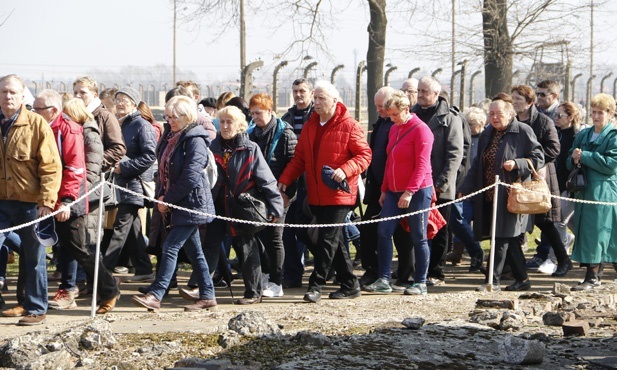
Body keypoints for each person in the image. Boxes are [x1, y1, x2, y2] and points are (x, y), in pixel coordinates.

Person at [278, 80, 372, 303]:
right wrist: (285, 179)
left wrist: (345, 169)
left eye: (322, 98)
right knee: (335, 240)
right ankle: (350, 283)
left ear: (334, 101)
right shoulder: (311, 125)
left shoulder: (349, 125)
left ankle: (316, 284)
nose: (317, 102)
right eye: (316, 98)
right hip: (315, 194)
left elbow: (364, 155)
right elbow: (300, 158)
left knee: (327, 240)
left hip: (339, 194)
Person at [34, 90, 121, 314]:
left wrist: (67, 200)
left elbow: (77, 168)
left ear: (53, 110)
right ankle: (37, 297)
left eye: (38, 109)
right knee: (56, 247)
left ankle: (109, 290)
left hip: (72, 199)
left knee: (80, 249)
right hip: (49, 198)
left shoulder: (70, 129)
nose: (34, 113)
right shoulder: (44, 128)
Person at [132, 96, 217, 311]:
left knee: (170, 247)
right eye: (167, 116)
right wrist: (161, 196)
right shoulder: (172, 137)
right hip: (178, 202)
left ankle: (156, 294)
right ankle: (207, 295)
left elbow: (190, 176)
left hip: (191, 203)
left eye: (174, 116)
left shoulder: (195, 139)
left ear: (187, 116)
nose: (169, 120)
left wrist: (167, 200)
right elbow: (163, 171)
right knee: (195, 252)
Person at [459, 93, 544, 292]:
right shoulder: (488, 133)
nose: (494, 117)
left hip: (511, 195)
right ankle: (523, 280)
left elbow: (539, 156)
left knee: (502, 237)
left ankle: (493, 281)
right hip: (490, 195)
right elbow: (477, 165)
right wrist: (465, 188)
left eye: (498, 113)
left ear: (509, 114)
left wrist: (517, 163)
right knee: (510, 239)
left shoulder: (522, 131)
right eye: (491, 113)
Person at [0, 75, 62, 325]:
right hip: (2, 204)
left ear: (23, 96)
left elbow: (51, 167)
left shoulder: (36, 124)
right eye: (4, 92)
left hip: (30, 204)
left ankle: (36, 308)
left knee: (34, 257)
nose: (8, 97)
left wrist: (46, 202)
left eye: (13, 92)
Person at [210, 106, 284, 304]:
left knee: (246, 249)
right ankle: (204, 291)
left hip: (241, 209)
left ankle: (253, 293)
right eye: (222, 122)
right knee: (209, 245)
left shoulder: (250, 148)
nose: (225, 126)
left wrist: (276, 207)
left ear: (240, 125)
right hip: (217, 207)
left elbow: (266, 180)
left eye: (229, 122)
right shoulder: (212, 147)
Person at [363, 90, 434, 295]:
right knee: (384, 232)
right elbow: (390, 162)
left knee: (419, 236)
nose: (391, 119)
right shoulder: (394, 129)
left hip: (418, 191)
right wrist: (385, 189)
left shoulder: (421, 130)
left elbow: (422, 165)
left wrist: (410, 191)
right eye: (389, 115)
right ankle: (384, 278)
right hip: (393, 190)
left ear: (405, 109)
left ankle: (420, 281)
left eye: (394, 114)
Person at [511, 85, 571, 277]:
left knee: (544, 222)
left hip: (540, 179)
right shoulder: (511, 121)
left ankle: (563, 259)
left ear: (529, 102)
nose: (514, 103)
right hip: (516, 179)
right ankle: (511, 266)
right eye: (513, 99)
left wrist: (528, 161)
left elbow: (554, 149)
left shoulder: (544, 122)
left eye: (518, 99)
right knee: (513, 220)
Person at [410, 76, 464, 286]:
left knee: (439, 229)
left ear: (436, 94)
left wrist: (441, 183)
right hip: (415, 183)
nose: (421, 95)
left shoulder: (449, 118)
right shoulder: (412, 115)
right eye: (419, 91)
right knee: (415, 228)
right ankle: (415, 269)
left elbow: (455, 154)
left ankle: (436, 271)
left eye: (425, 91)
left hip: (439, 185)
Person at [360, 86, 414, 292]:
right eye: (377, 107)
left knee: (404, 232)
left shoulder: (403, 125)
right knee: (370, 228)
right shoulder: (381, 124)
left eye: (382, 106)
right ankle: (373, 270)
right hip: (380, 187)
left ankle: (405, 273)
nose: (380, 110)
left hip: (401, 187)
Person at [102, 87, 156, 281]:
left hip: (135, 185)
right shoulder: (121, 123)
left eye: (125, 100)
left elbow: (150, 155)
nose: (120, 103)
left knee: (120, 228)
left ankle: (104, 272)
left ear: (134, 103)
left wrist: (124, 169)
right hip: (122, 184)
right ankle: (144, 269)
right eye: (118, 99)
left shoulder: (142, 125)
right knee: (132, 229)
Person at [247, 93, 297, 298]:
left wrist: (286, 192)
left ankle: (277, 281)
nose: (255, 117)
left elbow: (294, 164)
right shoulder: (252, 133)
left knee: (276, 237)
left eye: (258, 113)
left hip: (280, 193)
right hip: (258, 194)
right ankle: (266, 275)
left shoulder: (285, 134)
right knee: (261, 236)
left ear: (270, 111)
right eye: (252, 114)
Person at [567, 93, 617, 291]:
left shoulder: (613, 136)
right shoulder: (583, 135)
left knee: (599, 233)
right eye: (594, 112)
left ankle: (593, 276)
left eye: (601, 113)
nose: (596, 117)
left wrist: (585, 156)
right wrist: (574, 159)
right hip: (584, 191)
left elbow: (612, 165)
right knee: (587, 233)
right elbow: (568, 160)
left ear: (611, 114)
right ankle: (593, 273)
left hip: (604, 191)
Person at [280, 78, 315, 289]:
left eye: (302, 91)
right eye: (295, 91)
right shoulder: (287, 118)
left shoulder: (317, 116)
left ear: (310, 93)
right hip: (294, 179)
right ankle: (293, 273)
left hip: (313, 180)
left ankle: (326, 268)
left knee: (313, 229)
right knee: (288, 229)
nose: (298, 95)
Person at [445, 107, 486, 271]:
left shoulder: (484, 139)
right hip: (460, 184)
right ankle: (465, 251)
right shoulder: (461, 137)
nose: (468, 127)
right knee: (456, 221)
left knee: (459, 220)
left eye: (472, 124)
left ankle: (476, 252)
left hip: (474, 187)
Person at [72, 77, 126, 172]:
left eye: (83, 92)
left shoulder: (105, 116)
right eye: (75, 93)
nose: (78, 96)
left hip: (97, 177)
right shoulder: (74, 116)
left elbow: (118, 149)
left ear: (95, 95)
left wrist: (93, 165)